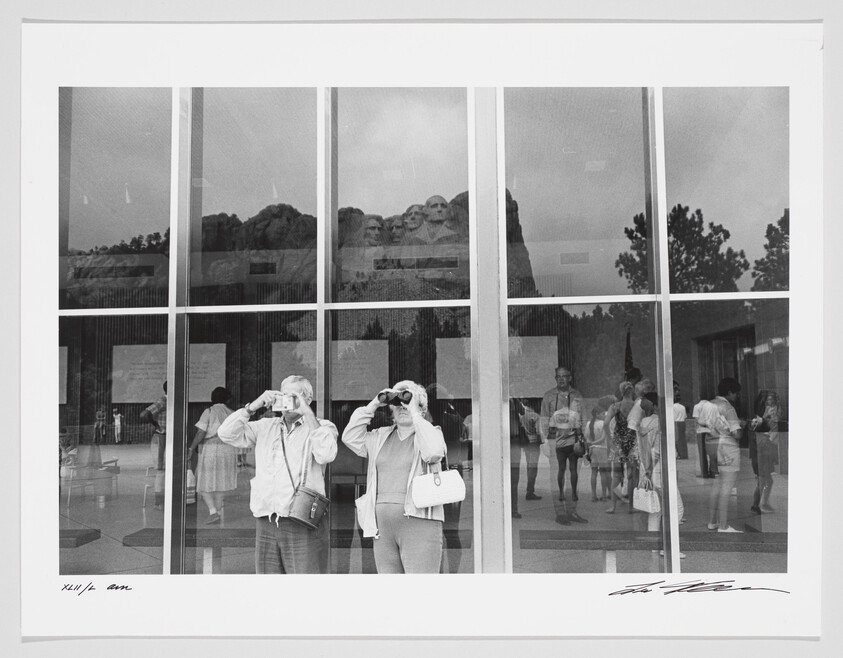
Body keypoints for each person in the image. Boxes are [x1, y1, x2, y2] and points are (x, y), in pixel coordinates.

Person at [217, 376, 338, 574]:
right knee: (268, 587)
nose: (287, 402)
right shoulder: (265, 426)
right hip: (267, 519)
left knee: (304, 585)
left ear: (308, 398)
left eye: (293, 396)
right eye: (283, 395)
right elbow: (225, 433)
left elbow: (326, 454)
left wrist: (306, 413)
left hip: (301, 518)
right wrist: (253, 407)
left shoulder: (323, 426)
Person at [342, 381, 447, 574]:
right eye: (397, 403)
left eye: (407, 401)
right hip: (382, 527)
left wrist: (414, 412)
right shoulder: (380, 437)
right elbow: (350, 437)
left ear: (422, 408)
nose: (402, 407)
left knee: (421, 591)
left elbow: (433, 452)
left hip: (419, 522)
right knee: (391, 593)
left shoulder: (431, 433)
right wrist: (374, 404)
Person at [637, 392, 686, 557]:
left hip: (649, 470)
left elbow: (643, 450)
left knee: (655, 510)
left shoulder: (643, 422)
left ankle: (654, 545)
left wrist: (646, 471)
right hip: (661, 469)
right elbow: (658, 450)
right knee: (676, 508)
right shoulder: (660, 422)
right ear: (657, 406)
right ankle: (670, 546)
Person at [539, 366, 587, 524]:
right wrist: (544, 441)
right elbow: (544, 419)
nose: (561, 379)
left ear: (570, 378)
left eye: (564, 376)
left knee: (573, 476)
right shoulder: (549, 396)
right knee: (558, 477)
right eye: (558, 376)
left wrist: (584, 440)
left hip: (574, 441)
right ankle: (560, 513)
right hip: (555, 441)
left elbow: (583, 418)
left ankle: (572, 511)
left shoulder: (577, 395)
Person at [697, 378, 745, 533]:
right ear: (730, 392)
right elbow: (736, 433)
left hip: (711, 445)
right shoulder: (728, 407)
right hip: (727, 447)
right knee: (727, 487)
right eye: (736, 393)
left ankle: (712, 521)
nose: (737, 397)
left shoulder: (708, 404)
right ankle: (723, 525)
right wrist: (742, 426)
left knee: (717, 485)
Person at [187, 387, 237, 524]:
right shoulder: (232, 413)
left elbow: (200, 433)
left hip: (211, 448)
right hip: (228, 449)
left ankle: (213, 511)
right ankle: (218, 512)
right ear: (227, 399)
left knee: (203, 481)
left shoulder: (208, 412)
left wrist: (191, 447)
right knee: (220, 482)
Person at [605, 381, 636, 514]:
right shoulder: (636, 406)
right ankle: (631, 507)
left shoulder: (615, 406)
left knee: (616, 476)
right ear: (632, 390)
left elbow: (606, 424)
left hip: (617, 441)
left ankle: (613, 506)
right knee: (631, 476)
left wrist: (610, 442)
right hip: (632, 441)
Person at [509, 399, 541, 519]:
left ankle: (512, 508)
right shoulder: (513, 401)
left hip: (511, 442)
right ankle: (513, 509)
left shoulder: (511, 401)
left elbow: (522, 413)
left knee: (513, 477)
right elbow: (522, 412)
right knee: (514, 477)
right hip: (514, 442)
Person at [751, 390, 781, 514]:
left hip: (766, 450)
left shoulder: (774, 412)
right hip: (763, 451)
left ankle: (762, 503)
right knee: (763, 480)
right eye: (768, 399)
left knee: (767, 480)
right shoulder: (761, 421)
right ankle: (757, 505)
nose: (770, 402)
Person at [140, 381, 168, 509]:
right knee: (161, 471)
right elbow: (144, 414)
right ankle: (159, 502)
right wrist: (155, 424)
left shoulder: (175, 402)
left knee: (169, 470)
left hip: (170, 438)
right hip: (162, 437)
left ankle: (167, 500)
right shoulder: (163, 401)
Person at [587, 397, 614, 502]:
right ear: (597, 414)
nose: (604, 416)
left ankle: (593, 495)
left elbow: (587, 437)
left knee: (593, 472)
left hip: (592, 450)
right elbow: (603, 438)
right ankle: (603, 495)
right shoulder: (604, 424)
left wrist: (590, 445)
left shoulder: (589, 424)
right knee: (603, 472)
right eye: (603, 414)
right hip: (602, 449)